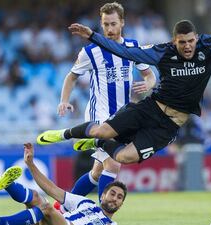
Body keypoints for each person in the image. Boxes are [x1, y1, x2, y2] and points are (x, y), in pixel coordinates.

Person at [37, 0, 211, 164]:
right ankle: (64, 134)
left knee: (124, 157)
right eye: (182, 42)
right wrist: (93, 36)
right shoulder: (162, 52)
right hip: (150, 108)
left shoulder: (210, 47)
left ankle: (97, 144)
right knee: (101, 131)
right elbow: (127, 52)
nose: (187, 46)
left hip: (169, 125)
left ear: (196, 39)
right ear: (174, 41)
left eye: (191, 41)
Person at [40, 2, 155, 198]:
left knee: (97, 172)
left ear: (122, 23)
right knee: (113, 163)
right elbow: (71, 76)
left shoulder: (133, 47)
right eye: (105, 24)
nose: (109, 29)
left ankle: (63, 208)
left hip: (123, 115)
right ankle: (103, 216)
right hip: (99, 114)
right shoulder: (91, 52)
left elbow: (150, 75)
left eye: (113, 24)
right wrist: (64, 100)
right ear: (101, 25)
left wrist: (148, 84)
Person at [0, 143, 127, 225]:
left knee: (47, 208)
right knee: (37, 198)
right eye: (112, 193)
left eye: (119, 197)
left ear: (121, 204)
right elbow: (51, 189)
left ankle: (0, 222)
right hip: (59, 222)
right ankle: (9, 186)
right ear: (102, 197)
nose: (115, 198)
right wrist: (30, 164)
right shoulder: (86, 203)